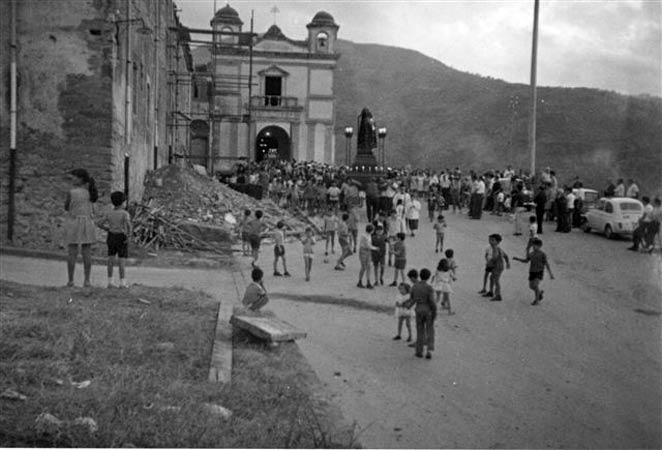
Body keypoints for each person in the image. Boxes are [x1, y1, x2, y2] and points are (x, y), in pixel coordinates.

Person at [64, 168, 98, 287]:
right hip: (87, 222)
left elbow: (67, 207)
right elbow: (93, 209)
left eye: (74, 177)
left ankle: (71, 280)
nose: (72, 179)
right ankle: (87, 280)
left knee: (72, 252)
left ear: (80, 179)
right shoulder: (90, 193)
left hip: (74, 222)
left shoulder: (72, 192)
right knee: (87, 253)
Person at [95, 191, 132, 289]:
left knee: (110, 259)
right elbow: (128, 225)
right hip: (121, 236)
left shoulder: (109, 213)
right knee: (121, 260)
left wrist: (107, 228)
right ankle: (122, 282)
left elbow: (99, 223)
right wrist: (129, 235)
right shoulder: (124, 213)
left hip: (111, 236)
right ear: (123, 202)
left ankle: (110, 282)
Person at [403, 268, 437, 359]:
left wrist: (408, 306)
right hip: (428, 310)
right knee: (430, 330)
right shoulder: (429, 288)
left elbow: (412, 299)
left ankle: (419, 351)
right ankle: (429, 350)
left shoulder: (415, 287)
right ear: (428, 277)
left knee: (420, 330)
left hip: (419, 310)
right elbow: (432, 302)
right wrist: (434, 312)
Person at [514, 238, 554, 305]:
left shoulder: (542, 254)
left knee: (535, 285)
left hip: (539, 272)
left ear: (540, 246)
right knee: (531, 286)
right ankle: (539, 294)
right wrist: (518, 259)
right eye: (533, 245)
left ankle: (536, 300)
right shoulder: (531, 254)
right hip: (532, 272)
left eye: (536, 246)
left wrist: (550, 274)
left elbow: (546, 264)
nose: (534, 247)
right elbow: (526, 261)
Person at [479, 233, 510, 301]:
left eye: (492, 240)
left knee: (496, 280)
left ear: (498, 242)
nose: (490, 241)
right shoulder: (498, 248)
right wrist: (507, 263)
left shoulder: (495, 248)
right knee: (492, 278)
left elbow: (495, 257)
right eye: (490, 240)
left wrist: (490, 262)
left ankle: (498, 295)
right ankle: (491, 292)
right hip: (497, 266)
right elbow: (505, 256)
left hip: (497, 267)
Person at [357, 224, 377, 288]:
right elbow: (368, 246)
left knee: (368, 267)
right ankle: (360, 281)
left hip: (367, 251)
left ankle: (367, 282)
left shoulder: (368, 235)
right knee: (364, 267)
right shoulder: (365, 236)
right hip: (364, 251)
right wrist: (375, 248)